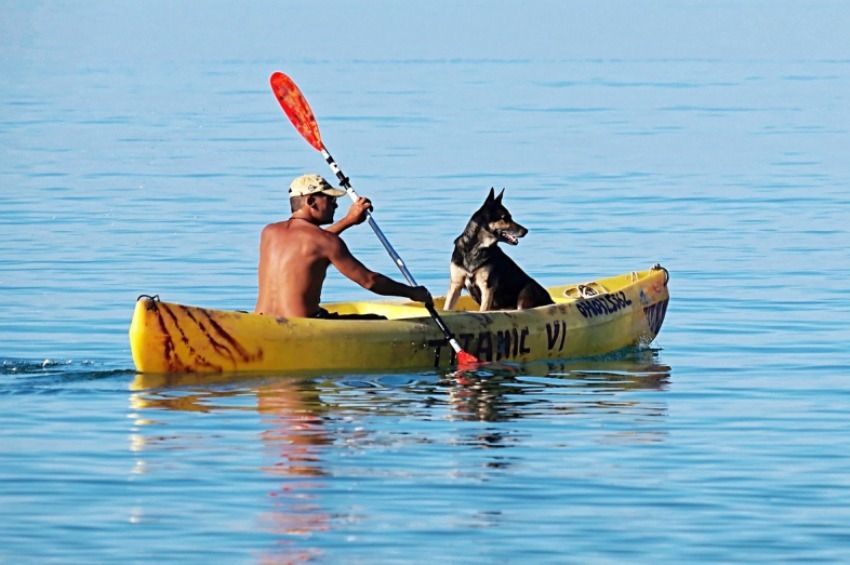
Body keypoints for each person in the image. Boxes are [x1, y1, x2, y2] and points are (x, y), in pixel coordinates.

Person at [254, 174, 432, 319]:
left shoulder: (269, 233)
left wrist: (348, 221)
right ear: (310, 201)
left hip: (262, 322)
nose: (335, 204)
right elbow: (369, 281)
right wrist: (412, 292)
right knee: (379, 320)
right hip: (304, 326)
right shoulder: (325, 242)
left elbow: (310, 244)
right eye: (330, 199)